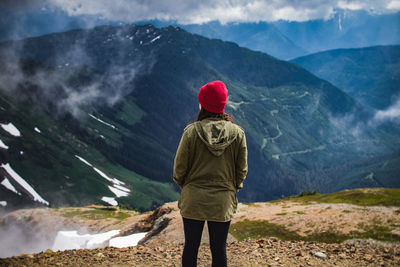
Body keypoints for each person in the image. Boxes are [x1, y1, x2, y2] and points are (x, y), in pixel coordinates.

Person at [173, 80, 248, 267]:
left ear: (202, 104)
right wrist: (231, 189)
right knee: (219, 249)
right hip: (223, 200)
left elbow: (179, 169)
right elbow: (242, 170)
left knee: (191, 247)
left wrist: (189, 187)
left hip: (193, 198)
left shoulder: (191, 132)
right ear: (223, 104)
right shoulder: (238, 133)